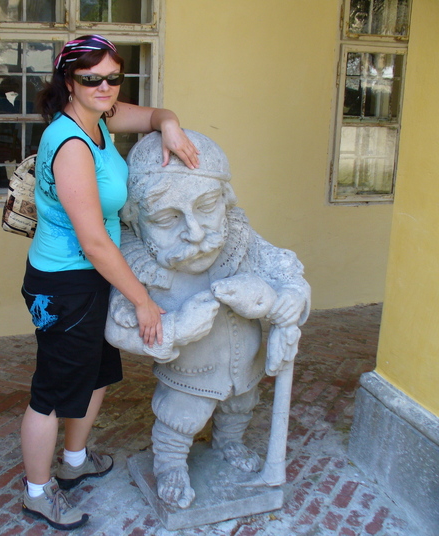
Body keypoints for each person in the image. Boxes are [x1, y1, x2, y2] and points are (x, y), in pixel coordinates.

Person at [19, 35, 199, 530]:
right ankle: (38, 492)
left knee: (96, 374)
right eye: (91, 78)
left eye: (113, 77)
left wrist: (170, 125)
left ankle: (74, 463)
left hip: (93, 278)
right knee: (52, 392)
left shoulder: (100, 117)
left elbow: (155, 115)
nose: (104, 86)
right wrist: (142, 300)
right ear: (69, 81)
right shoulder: (71, 144)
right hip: (65, 283)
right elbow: (95, 242)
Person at [104, 130, 311, 509]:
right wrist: (176, 329)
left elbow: (288, 275)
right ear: (136, 220)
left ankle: (228, 442)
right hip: (189, 374)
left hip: (245, 365)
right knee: (180, 419)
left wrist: (283, 301)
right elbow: (118, 327)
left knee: (241, 406)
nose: (195, 233)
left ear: (225, 199)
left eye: (206, 206)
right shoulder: (137, 266)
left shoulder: (240, 242)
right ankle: (170, 465)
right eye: (167, 218)